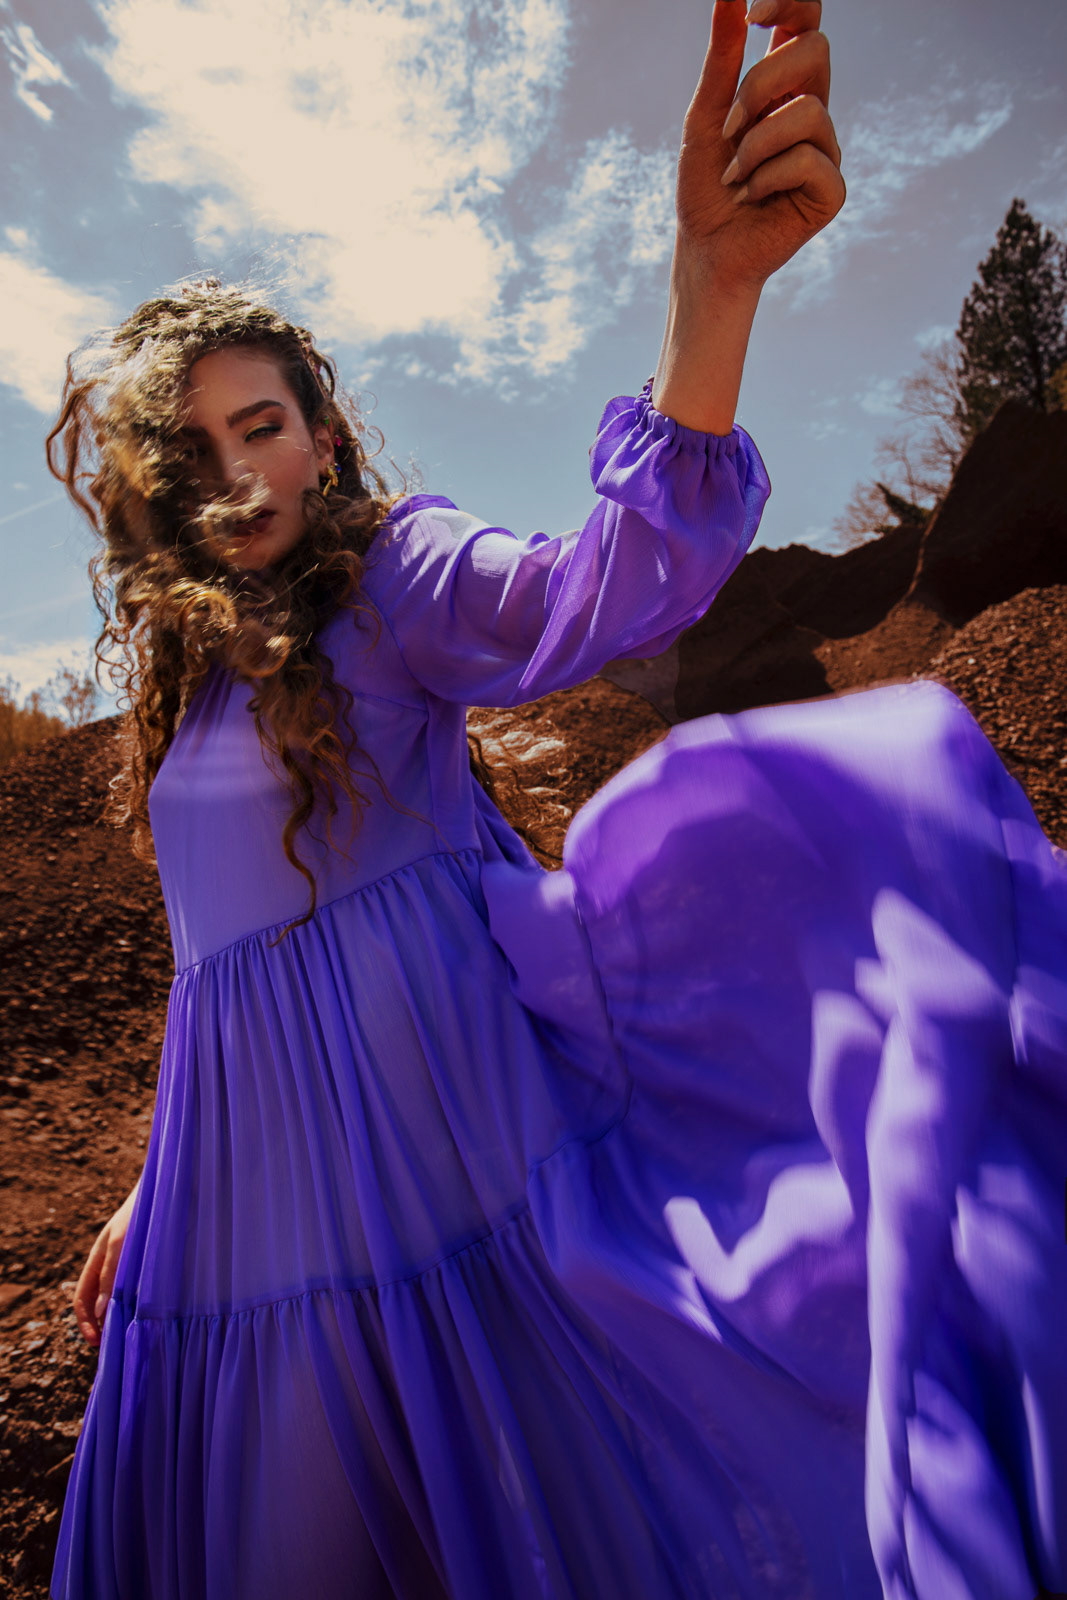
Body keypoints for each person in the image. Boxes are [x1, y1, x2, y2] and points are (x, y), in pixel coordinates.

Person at [43, 2, 1067, 1597]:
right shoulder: (185, 689)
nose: (238, 473)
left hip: (445, 1163)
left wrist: (709, 291)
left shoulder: (392, 578)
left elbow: (609, 582)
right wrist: (151, 1176)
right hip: (253, 1216)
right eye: (197, 447)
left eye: (265, 426)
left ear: (323, 438)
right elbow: (211, 966)